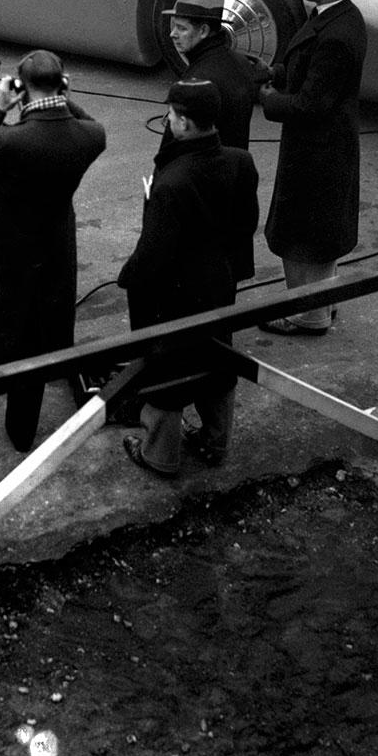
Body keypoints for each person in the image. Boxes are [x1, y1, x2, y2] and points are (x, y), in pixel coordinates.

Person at [0, 50, 106, 451]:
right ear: (62, 85)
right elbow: (84, 119)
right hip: (51, 248)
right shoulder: (90, 136)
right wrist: (60, 97)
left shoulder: (9, 140)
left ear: (23, 88)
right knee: (35, 341)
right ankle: (21, 432)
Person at [117, 80, 259, 478]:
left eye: (172, 115)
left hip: (173, 293)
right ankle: (216, 441)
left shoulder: (172, 182)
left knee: (166, 368)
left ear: (183, 122)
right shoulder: (240, 161)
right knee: (217, 356)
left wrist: (128, 277)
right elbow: (245, 224)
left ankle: (160, 454)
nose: (167, 119)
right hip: (218, 284)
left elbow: (153, 254)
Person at [256, 0, 366, 337]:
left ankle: (309, 315)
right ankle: (322, 303)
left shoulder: (336, 35)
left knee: (305, 236)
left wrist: (270, 98)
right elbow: (313, 71)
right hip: (324, 148)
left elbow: (312, 103)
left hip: (317, 152)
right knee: (317, 232)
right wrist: (279, 71)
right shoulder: (339, 18)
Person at [160, 0, 258, 151]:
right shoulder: (240, 62)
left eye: (182, 28)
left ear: (204, 31)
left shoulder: (197, 81)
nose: (173, 34)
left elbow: (172, 147)